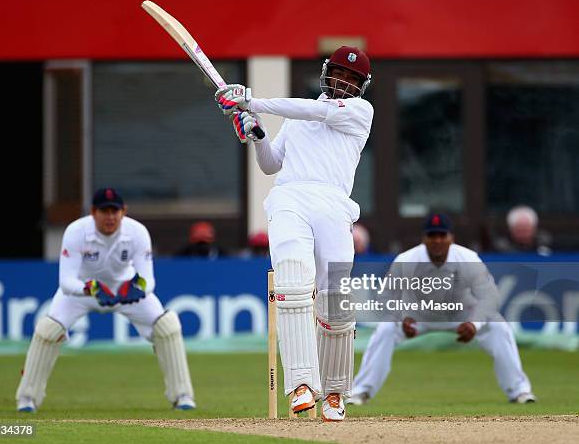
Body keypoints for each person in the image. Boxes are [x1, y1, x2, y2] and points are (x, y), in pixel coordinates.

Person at [215, 46, 374, 421]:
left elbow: (314, 110)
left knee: (335, 300)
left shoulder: (358, 112)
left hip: (334, 204)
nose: (344, 83)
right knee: (291, 280)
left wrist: (251, 99)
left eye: (352, 79)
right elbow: (271, 164)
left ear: (362, 86)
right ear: (326, 72)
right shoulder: (296, 117)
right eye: (339, 73)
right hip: (289, 198)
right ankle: (302, 385)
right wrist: (256, 134)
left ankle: (335, 393)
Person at [15, 188, 195, 412]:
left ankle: (183, 396)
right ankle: (27, 398)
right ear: (93, 212)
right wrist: (90, 289)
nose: (110, 217)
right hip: (84, 290)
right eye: (104, 211)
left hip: (124, 289)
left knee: (167, 326)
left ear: (123, 212)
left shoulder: (137, 232)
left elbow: (148, 280)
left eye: (115, 211)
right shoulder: (76, 231)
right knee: (48, 329)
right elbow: (66, 281)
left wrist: (137, 289)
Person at [348, 213, 536, 405]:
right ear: (424, 239)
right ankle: (360, 392)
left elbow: (490, 296)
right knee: (386, 329)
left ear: (451, 238)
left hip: (461, 313)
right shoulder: (407, 259)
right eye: (432, 236)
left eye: (442, 235)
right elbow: (387, 296)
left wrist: (474, 324)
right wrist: (402, 316)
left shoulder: (467, 258)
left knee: (498, 327)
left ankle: (519, 391)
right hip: (419, 315)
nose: (437, 241)